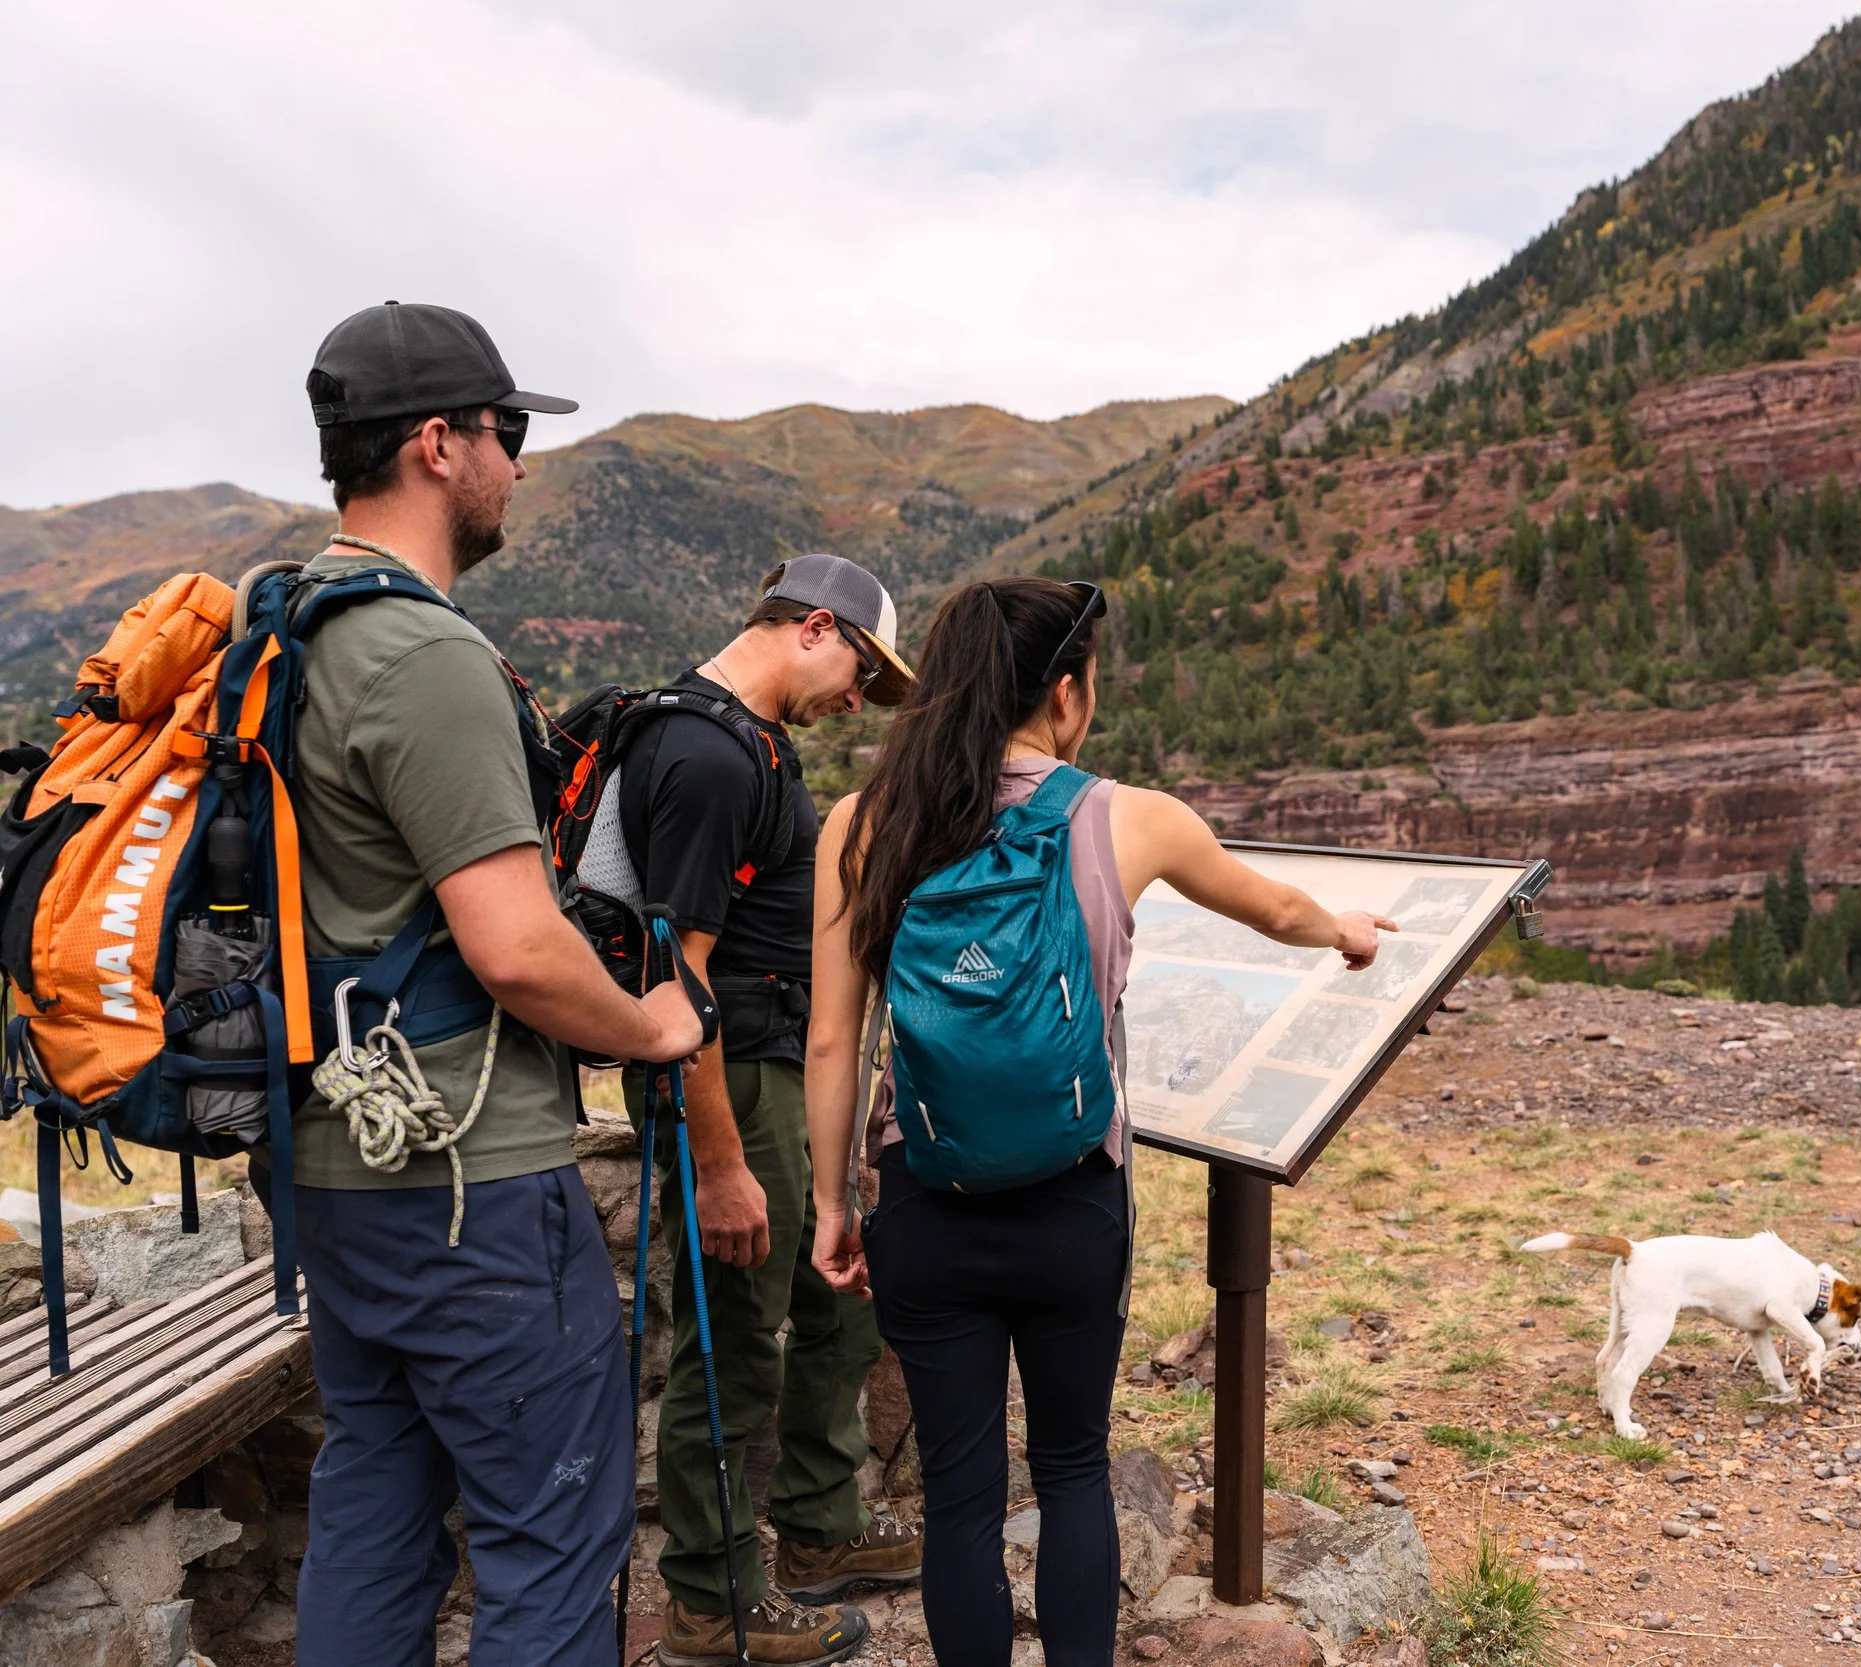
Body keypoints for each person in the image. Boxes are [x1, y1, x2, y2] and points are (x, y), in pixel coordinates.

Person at [802, 577, 1394, 1666]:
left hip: (923, 1199)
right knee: (1074, 1464)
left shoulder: (862, 820)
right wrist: (1346, 932)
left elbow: (834, 1040)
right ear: (1066, 692)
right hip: (1073, 1199)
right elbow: (1276, 908)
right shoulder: (1127, 816)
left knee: (962, 1495)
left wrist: (835, 1204)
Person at [288, 301, 705, 1666]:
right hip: (470, 1175)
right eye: (506, 432)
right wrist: (650, 1019)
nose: (519, 463)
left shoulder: (284, 629)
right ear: (436, 444)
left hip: (334, 1165)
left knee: (374, 1500)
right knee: (548, 1531)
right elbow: (517, 945)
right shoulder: (424, 653)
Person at [621, 556, 924, 1667]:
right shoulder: (703, 755)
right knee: (736, 1339)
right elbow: (673, 974)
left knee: (837, 1297)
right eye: (860, 671)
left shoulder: (749, 741)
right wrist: (717, 1163)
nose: (857, 700)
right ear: (815, 625)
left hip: (779, 1066)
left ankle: (817, 1523)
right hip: (732, 1077)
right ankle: (710, 1599)